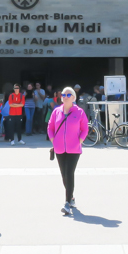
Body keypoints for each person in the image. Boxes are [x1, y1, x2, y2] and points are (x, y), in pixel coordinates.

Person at [47, 86, 89, 216]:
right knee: (64, 175)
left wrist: (80, 141)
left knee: (69, 173)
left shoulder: (80, 112)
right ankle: (71, 197)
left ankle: (66, 202)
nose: (65, 97)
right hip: (59, 148)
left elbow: (85, 129)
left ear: (73, 98)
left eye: (68, 95)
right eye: (63, 95)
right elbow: (50, 127)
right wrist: (54, 140)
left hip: (74, 149)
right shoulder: (56, 111)